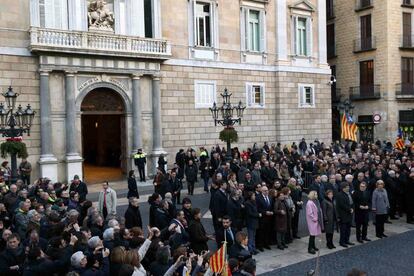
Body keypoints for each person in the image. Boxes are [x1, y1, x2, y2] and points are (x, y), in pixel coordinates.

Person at [336, 182, 354, 248]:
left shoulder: (349, 194)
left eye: (348, 187)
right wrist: (349, 209)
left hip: (349, 214)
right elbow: (342, 204)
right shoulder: (339, 195)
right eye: (347, 187)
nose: (348, 188)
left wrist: (352, 208)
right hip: (343, 215)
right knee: (343, 229)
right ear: (343, 188)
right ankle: (342, 242)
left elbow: (352, 202)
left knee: (348, 229)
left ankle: (347, 240)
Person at [256, 185, 273, 252]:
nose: (267, 192)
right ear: (262, 191)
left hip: (269, 218)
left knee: (267, 231)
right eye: (265, 191)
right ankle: (260, 245)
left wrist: (271, 212)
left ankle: (266, 244)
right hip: (262, 218)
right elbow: (258, 208)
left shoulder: (270, 197)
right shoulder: (258, 198)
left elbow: (271, 206)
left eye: (267, 190)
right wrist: (265, 212)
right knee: (261, 232)